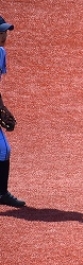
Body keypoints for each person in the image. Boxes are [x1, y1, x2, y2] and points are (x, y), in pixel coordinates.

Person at [0, 15, 24, 207]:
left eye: (5, 31)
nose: (4, 35)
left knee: (3, 150)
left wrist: (2, 108)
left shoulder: (1, 53)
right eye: (1, 32)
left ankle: (2, 193)